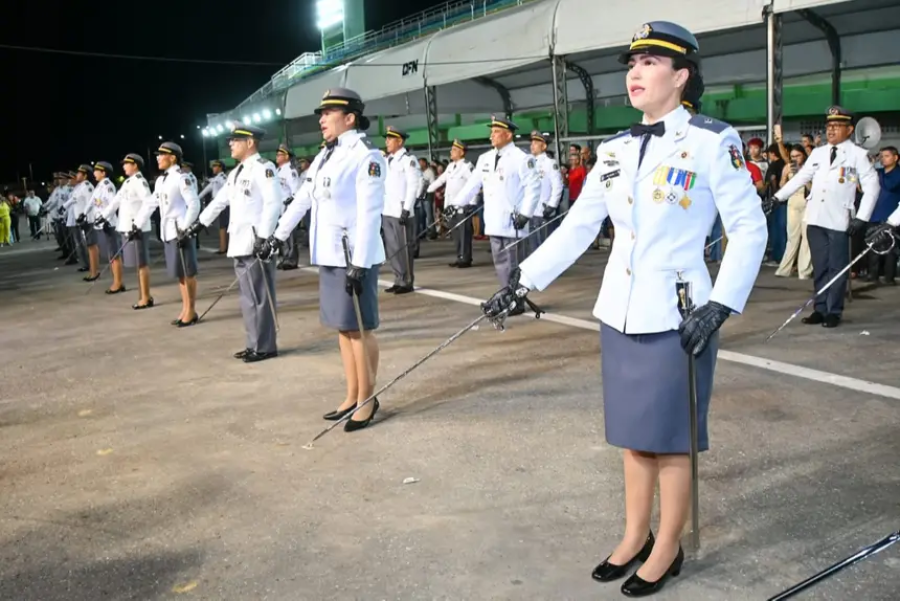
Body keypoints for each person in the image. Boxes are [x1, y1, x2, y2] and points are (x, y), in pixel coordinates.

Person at [481, 21, 767, 596]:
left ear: (681, 76)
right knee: (635, 437)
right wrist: (523, 280)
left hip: (680, 316)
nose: (634, 73)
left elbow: (749, 228)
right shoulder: (613, 149)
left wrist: (721, 304)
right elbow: (580, 227)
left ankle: (668, 545)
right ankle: (635, 534)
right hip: (620, 312)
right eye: (631, 64)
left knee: (673, 438)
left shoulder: (714, 141)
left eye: (650, 63)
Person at [268, 88, 386, 431]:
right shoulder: (325, 156)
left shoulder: (366, 155)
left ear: (349, 118)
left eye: (328, 113)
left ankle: (367, 398)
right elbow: (304, 198)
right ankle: (352, 394)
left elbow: (370, 214)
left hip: (353, 256)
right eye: (321, 113)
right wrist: (278, 235)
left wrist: (361, 263)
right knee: (344, 328)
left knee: (361, 329)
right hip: (332, 255)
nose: (321, 119)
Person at [772, 106, 880, 328]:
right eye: (829, 126)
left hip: (839, 219)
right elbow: (802, 177)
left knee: (837, 267)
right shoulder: (818, 153)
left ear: (849, 130)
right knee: (820, 266)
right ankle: (820, 308)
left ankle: (834, 311)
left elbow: (872, 186)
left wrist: (862, 217)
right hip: (815, 218)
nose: (831, 130)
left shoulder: (857, 155)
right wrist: (778, 197)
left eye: (837, 126)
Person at [184, 125, 282, 363]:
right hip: (239, 242)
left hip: (254, 242)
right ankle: (253, 343)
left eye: (236, 140)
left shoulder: (264, 168)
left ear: (250, 143)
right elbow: (220, 201)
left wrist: (264, 236)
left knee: (260, 297)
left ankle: (266, 346)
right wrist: (199, 223)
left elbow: (273, 203)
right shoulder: (237, 172)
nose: (231, 144)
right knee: (247, 298)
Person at [448, 115, 541, 308]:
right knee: (501, 264)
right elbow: (472, 185)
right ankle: (509, 299)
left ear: (508, 135)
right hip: (494, 221)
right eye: (491, 132)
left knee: (515, 264)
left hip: (513, 221)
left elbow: (534, 187)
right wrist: (456, 203)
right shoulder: (485, 159)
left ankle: (517, 302)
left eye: (496, 132)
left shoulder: (521, 158)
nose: (492, 135)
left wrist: (526, 213)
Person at [134, 142, 201, 327]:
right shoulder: (162, 180)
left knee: (188, 272)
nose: (157, 157)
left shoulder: (182, 177)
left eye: (161, 154)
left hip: (180, 231)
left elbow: (194, 204)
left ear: (172, 157)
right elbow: (151, 203)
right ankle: (186, 308)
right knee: (180, 274)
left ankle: (191, 310)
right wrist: (137, 223)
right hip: (169, 232)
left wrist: (185, 227)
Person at [103, 153, 155, 309]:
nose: (124, 166)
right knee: (136, 264)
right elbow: (116, 201)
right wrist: (104, 216)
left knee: (142, 264)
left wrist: (138, 223)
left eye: (127, 164)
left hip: (137, 229)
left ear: (135, 165)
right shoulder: (128, 182)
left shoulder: (140, 181)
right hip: (127, 228)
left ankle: (146, 298)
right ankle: (142, 296)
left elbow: (149, 202)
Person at [381, 126, 421, 294]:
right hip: (387, 210)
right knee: (392, 248)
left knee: (403, 248)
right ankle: (398, 278)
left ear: (399, 141)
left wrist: (407, 208)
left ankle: (407, 281)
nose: (386, 142)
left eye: (390, 139)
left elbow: (413, 185)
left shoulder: (408, 160)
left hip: (400, 211)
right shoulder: (386, 160)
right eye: (387, 138)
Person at [427, 139, 475, 267]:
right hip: (450, 207)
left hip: (462, 207)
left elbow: (474, 185)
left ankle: (466, 258)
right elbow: (440, 181)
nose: (451, 152)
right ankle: (460, 256)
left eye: (454, 150)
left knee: (464, 233)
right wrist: (428, 190)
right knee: (456, 233)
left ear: (461, 152)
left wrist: (472, 203)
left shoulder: (467, 167)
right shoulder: (450, 166)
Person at [88, 161, 126, 294]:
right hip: (102, 223)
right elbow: (92, 202)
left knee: (114, 254)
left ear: (103, 172)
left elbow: (111, 205)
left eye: (97, 171)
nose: (94, 173)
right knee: (110, 254)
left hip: (109, 224)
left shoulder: (108, 186)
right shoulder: (98, 186)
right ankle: (115, 280)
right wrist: (84, 214)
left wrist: (106, 219)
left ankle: (118, 282)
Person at [528, 131, 564, 253]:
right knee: (533, 245)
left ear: (544, 146)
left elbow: (558, 186)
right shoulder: (529, 163)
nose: (532, 145)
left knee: (545, 244)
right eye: (531, 142)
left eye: (536, 143)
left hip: (544, 210)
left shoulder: (550, 163)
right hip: (531, 210)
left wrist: (552, 205)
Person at [273, 144, 303, 270]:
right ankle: (284, 257)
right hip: (279, 208)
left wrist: (290, 203)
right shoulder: (278, 170)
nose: (277, 157)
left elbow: (296, 190)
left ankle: (291, 260)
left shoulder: (290, 171)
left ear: (286, 156)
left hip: (287, 207)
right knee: (282, 235)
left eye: (279, 155)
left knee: (290, 235)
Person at [63, 166, 95, 276]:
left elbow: (90, 203)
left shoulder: (86, 186)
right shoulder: (79, 187)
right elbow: (74, 199)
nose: (77, 175)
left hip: (87, 220)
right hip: (81, 220)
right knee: (87, 245)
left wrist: (84, 216)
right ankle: (90, 267)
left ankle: (92, 267)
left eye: (79, 173)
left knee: (90, 245)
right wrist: (64, 206)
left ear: (85, 175)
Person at [198, 160, 229, 254]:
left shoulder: (223, 177)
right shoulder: (215, 180)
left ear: (220, 167)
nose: (213, 168)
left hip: (224, 205)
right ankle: (225, 247)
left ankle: (223, 248)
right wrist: (196, 199)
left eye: (215, 166)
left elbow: (227, 185)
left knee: (223, 227)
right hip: (217, 205)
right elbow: (205, 191)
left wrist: (214, 180)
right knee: (222, 227)